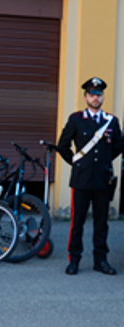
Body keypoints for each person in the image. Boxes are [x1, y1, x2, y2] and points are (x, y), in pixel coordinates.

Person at [56, 77, 122, 275]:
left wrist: (104, 161)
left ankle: (100, 260)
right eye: (92, 94)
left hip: (103, 178)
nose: (95, 97)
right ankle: (74, 260)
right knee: (77, 223)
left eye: (99, 94)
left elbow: (119, 145)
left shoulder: (112, 121)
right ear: (85, 97)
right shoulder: (76, 119)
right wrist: (77, 162)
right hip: (82, 178)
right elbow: (63, 146)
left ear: (103, 97)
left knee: (102, 223)